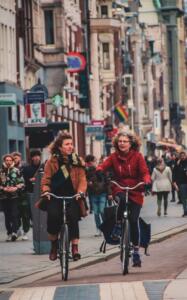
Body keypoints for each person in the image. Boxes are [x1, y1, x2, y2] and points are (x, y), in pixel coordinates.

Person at [96, 131, 151, 267]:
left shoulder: (138, 157)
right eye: (119, 141)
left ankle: (137, 252)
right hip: (119, 186)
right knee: (120, 199)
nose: (122, 143)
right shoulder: (114, 157)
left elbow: (144, 173)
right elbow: (104, 165)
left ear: (130, 143)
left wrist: (146, 181)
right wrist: (99, 169)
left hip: (135, 189)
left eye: (124, 141)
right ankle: (118, 225)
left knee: (133, 220)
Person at [41, 131, 87, 261]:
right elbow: (46, 180)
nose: (70, 146)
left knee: (73, 218)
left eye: (71, 144)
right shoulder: (52, 162)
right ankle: (54, 246)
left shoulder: (77, 161)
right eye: (67, 144)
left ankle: (75, 248)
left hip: (73, 196)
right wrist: (46, 191)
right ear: (60, 147)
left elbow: (82, 180)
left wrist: (80, 192)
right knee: (53, 217)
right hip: (55, 196)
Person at [0, 154, 24, 241]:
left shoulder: (16, 171)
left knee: (14, 214)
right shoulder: (1, 171)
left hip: (14, 196)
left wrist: (15, 187)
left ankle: (14, 232)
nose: (8, 162)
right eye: (7, 160)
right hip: (4, 197)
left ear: (12, 161)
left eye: (10, 160)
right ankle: (9, 233)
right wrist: (3, 188)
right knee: (7, 216)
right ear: (4, 161)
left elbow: (22, 183)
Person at [85, 154, 109, 236]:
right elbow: (86, 182)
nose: (95, 163)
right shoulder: (87, 171)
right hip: (93, 194)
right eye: (93, 161)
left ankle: (106, 228)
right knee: (96, 213)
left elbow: (106, 181)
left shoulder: (101, 169)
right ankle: (99, 230)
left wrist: (109, 193)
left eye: (95, 161)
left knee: (102, 211)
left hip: (102, 193)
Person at [12, 152, 30, 240]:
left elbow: (28, 179)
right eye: (14, 158)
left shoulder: (25, 167)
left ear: (20, 158)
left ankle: (25, 231)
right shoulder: (10, 169)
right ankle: (18, 229)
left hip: (24, 193)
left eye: (17, 158)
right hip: (14, 194)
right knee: (16, 213)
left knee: (25, 213)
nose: (16, 160)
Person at [22, 149, 43, 224]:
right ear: (32, 158)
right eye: (35, 156)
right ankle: (34, 222)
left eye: (38, 156)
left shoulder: (44, 167)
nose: (37, 158)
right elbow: (24, 180)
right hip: (31, 192)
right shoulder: (27, 169)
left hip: (42, 192)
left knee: (42, 209)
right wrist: (30, 180)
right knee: (32, 209)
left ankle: (41, 222)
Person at [173, 151, 187, 217]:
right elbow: (174, 173)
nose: (182, 157)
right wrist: (174, 182)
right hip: (182, 183)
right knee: (183, 198)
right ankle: (185, 211)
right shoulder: (178, 164)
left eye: (183, 155)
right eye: (181, 156)